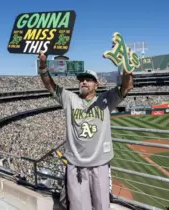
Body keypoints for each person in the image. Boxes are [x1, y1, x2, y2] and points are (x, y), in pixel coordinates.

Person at [38, 51, 133, 210]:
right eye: (81, 80)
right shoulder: (70, 98)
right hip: (76, 165)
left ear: (97, 84)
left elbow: (126, 86)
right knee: (79, 207)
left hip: (100, 164)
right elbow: (49, 85)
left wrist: (127, 70)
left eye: (88, 80)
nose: (83, 82)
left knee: (102, 206)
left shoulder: (106, 99)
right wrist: (43, 65)